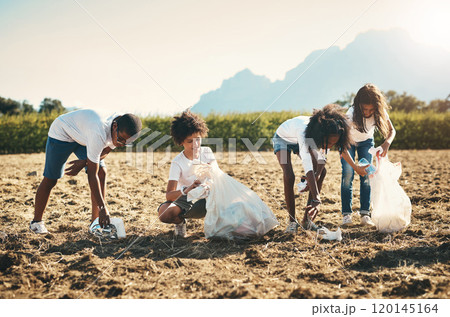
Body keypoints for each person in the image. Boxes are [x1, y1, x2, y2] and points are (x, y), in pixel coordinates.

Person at [29, 109, 142, 234]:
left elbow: (104, 152)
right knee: (51, 179)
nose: (121, 144)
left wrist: (84, 162)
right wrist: (103, 208)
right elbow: (92, 175)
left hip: (83, 137)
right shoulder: (99, 132)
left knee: (102, 172)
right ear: (115, 127)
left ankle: (95, 224)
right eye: (121, 140)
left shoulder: (121, 128)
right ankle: (36, 223)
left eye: (126, 143)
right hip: (63, 133)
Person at [273, 104, 352, 234]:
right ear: (323, 136)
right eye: (330, 143)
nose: (331, 146)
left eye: (334, 143)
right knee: (289, 175)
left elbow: (322, 160)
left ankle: (307, 221)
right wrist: (317, 198)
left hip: (303, 139)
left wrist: (315, 177)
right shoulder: (305, 132)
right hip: (283, 138)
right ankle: (292, 222)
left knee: (323, 172)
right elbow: (307, 163)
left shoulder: (324, 132)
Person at [340, 83, 396, 226]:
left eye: (371, 109)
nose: (367, 112)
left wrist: (386, 144)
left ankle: (365, 214)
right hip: (349, 143)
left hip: (366, 143)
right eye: (365, 109)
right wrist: (354, 167)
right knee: (347, 175)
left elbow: (392, 131)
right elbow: (342, 147)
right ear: (359, 105)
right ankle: (347, 215)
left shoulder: (380, 112)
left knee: (366, 177)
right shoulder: (351, 114)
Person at [157, 110, 214, 238]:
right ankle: (181, 222)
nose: (196, 145)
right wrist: (187, 190)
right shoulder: (177, 162)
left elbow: (217, 176)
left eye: (198, 140)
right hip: (187, 199)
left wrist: (209, 181)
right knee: (164, 213)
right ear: (181, 142)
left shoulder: (207, 152)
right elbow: (169, 195)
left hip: (208, 196)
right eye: (190, 141)